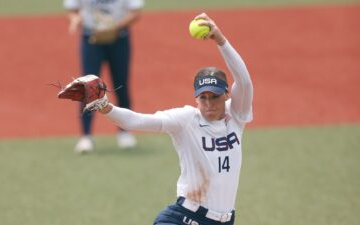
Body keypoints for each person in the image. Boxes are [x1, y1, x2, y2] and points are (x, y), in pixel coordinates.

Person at [76, 13, 252, 225]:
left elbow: (244, 81)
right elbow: (136, 121)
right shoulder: (186, 120)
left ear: (227, 94)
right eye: (202, 97)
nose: (208, 103)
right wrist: (105, 107)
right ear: (196, 97)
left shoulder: (236, 115)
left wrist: (220, 40)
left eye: (214, 96)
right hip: (184, 218)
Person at [63, 0, 144, 153]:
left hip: (119, 39)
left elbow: (135, 13)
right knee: (87, 87)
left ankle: (124, 131)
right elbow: (72, 9)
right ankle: (86, 136)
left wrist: (114, 28)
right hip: (91, 40)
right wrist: (75, 19)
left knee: (121, 84)